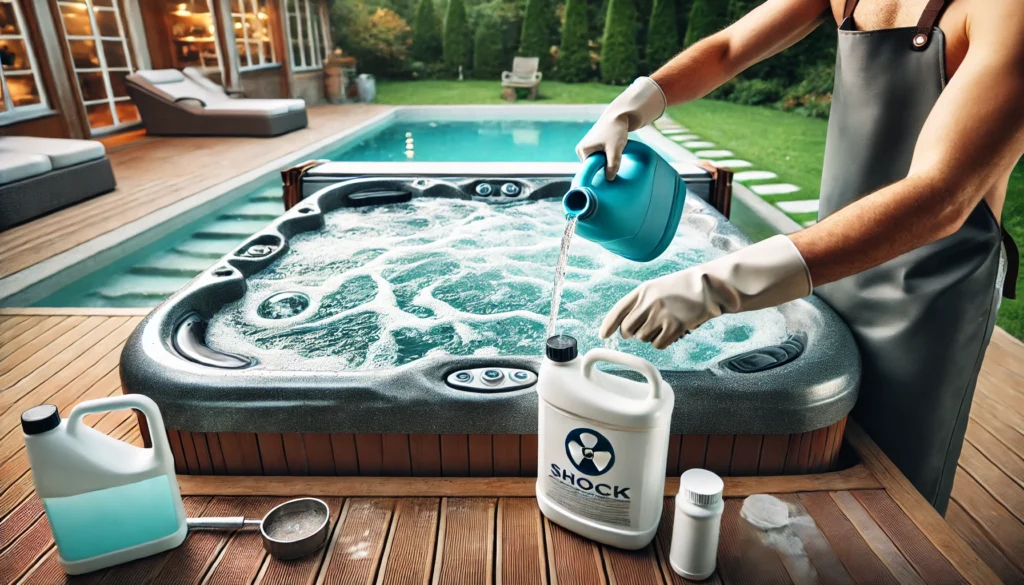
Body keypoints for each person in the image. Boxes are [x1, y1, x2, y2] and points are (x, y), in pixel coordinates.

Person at [581, 0, 1023, 514]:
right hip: (827, 260)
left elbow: (940, 196)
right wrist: (635, 103)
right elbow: (727, 49)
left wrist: (720, 284)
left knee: (896, 493)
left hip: (929, 292)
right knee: (817, 460)